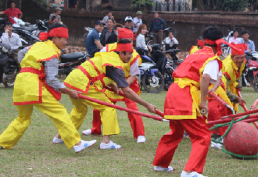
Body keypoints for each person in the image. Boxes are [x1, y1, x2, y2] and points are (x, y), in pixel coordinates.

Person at [0, 24, 96, 153]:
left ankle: (3, 142)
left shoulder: (37, 45)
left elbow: (22, 52)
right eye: (64, 39)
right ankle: (76, 143)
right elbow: (52, 80)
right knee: (59, 112)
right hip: (33, 86)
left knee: (23, 117)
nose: (66, 42)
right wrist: (69, 91)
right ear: (55, 38)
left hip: (21, 81)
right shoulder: (51, 53)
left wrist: (26, 67)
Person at [55, 40, 156, 149]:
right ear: (121, 53)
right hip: (85, 83)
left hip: (73, 79)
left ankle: (60, 137)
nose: (131, 57)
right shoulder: (116, 66)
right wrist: (147, 105)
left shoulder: (109, 56)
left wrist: (112, 85)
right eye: (129, 54)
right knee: (108, 107)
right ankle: (106, 142)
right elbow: (127, 91)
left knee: (80, 109)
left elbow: (98, 71)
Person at [152, 26, 225, 177]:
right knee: (202, 135)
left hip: (174, 93)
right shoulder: (212, 58)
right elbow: (205, 78)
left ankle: (161, 164)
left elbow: (202, 77)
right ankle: (191, 171)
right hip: (186, 95)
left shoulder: (195, 54)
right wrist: (204, 102)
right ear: (219, 43)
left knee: (176, 132)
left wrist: (216, 83)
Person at [84, 29, 147, 143]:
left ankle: (139, 134)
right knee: (99, 106)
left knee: (132, 108)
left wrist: (122, 86)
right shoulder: (106, 49)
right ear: (119, 41)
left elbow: (133, 75)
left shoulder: (134, 55)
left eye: (131, 41)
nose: (129, 45)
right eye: (126, 41)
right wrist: (113, 84)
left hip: (127, 83)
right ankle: (96, 129)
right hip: (110, 83)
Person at [209, 44, 246, 142]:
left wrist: (239, 85)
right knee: (223, 109)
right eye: (237, 58)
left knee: (230, 110)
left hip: (228, 86)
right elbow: (224, 89)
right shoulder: (227, 67)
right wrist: (236, 98)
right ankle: (218, 135)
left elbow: (240, 72)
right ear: (232, 57)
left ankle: (227, 131)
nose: (240, 60)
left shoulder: (243, 61)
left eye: (242, 57)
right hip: (218, 87)